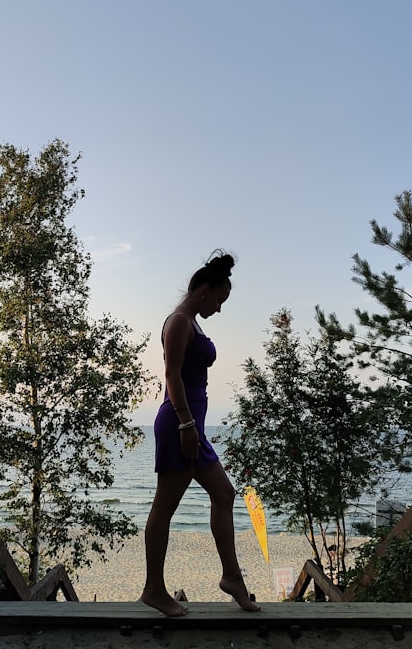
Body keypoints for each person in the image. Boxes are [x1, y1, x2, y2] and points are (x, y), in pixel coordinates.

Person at [140, 250, 260, 617]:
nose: (220, 309)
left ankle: (231, 577)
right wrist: (186, 425)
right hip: (181, 424)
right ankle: (154, 590)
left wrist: (193, 427)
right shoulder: (178, 322)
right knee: (164, 508)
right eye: (220, 300)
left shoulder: (192, 321)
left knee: (224, 493)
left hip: (193, 426)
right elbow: (172, 375)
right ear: (204, 290)